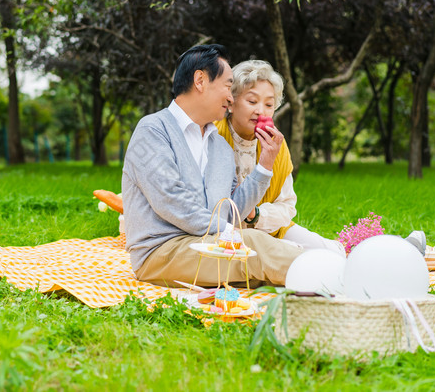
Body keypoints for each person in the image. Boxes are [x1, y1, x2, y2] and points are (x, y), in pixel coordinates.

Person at [122, 45, 303, 288]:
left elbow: (232, 209)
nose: (231, 97)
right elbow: (171, 201)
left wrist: (265, 164)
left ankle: (324, 279)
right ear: (200, 81)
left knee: (266, 269)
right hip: (162, 253)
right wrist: (234, 236)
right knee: (256, 246)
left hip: (209, 244)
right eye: (228, 86)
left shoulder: (219, 147)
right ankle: (335, 278)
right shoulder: (153, 130)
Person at [215, 60, 345, 255]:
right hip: (223, 232)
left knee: (325, 251)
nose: (261, 111)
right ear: (231, 103)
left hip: (269, 229)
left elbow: (287, 206)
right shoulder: (213, 135)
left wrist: (256, 215)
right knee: (286, 256)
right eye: (252, 101)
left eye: (269, 104)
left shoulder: (277, 144)